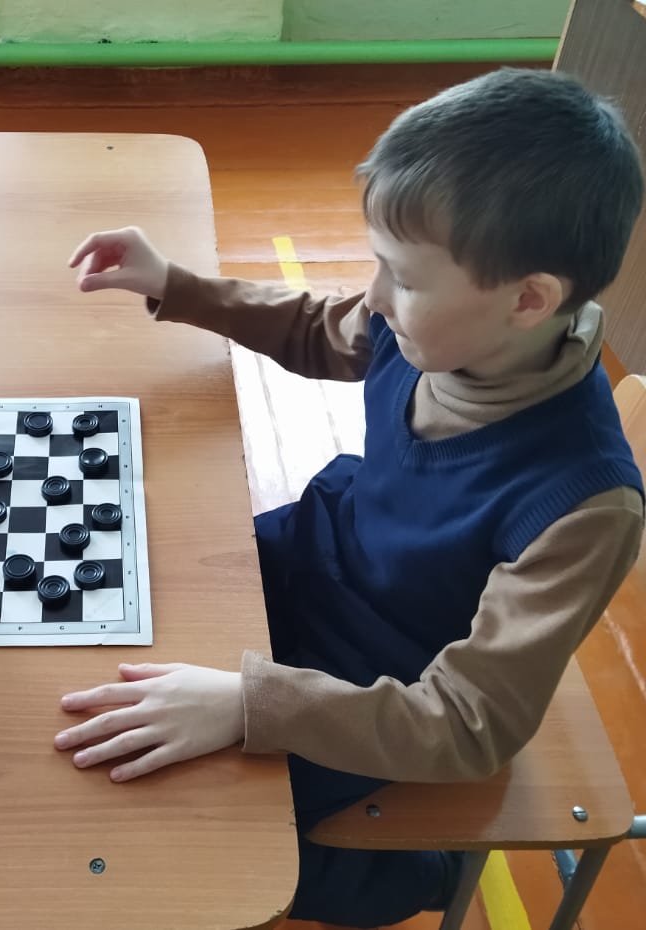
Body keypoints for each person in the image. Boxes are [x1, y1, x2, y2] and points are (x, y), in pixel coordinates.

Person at [56, 67, 645, 925]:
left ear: (529, 300)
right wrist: (174, 283)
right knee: (117, 602)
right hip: (316, 555)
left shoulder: (584, 505)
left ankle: (416, 877)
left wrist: (251, 704)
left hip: (387, 684)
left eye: (400, 275)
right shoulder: (442, 332)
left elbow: (468, 723)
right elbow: (315, 326)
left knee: (195, 842)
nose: (372, 295)